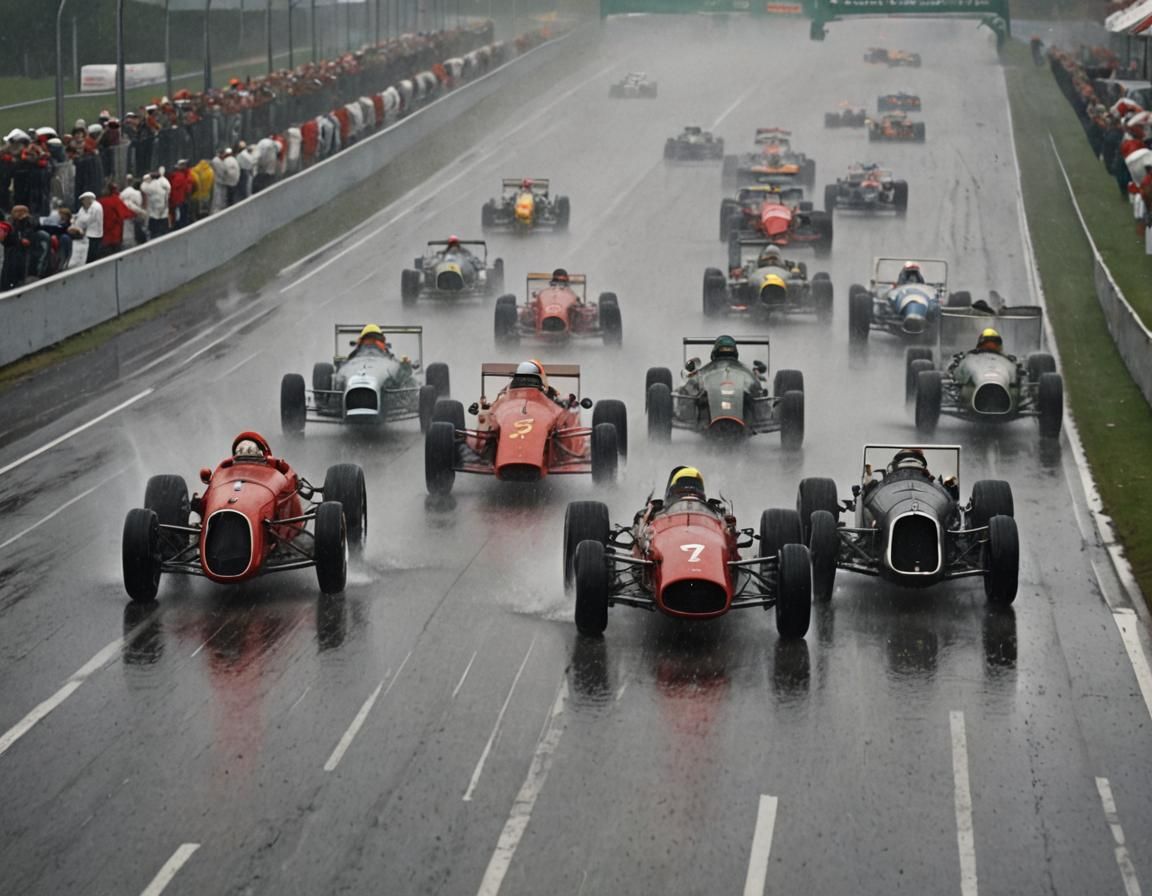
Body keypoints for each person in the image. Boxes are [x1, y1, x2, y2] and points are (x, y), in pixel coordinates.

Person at [69, 192, 105, 264]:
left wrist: (76, 223)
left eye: (83, 200)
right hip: (90, 234)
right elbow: (80, 216)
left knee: (91, 255)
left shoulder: (95, 207)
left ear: (88, 199)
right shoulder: (86, 207)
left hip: (93, 234)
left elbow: (86, 220)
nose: (82, 202)